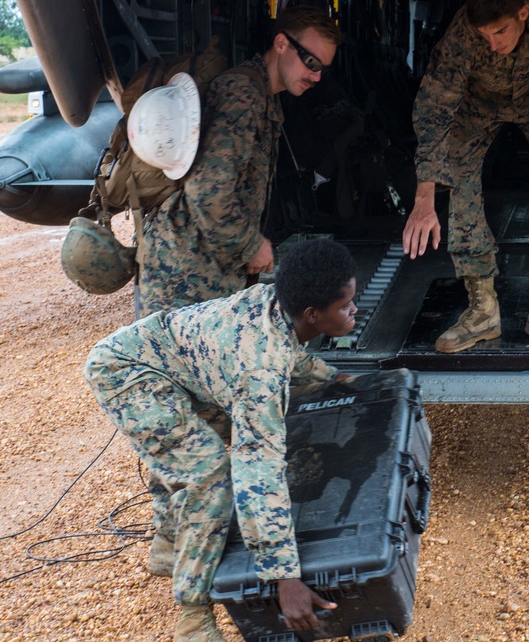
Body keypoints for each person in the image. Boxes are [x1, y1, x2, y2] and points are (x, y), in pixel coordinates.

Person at [83, 238, 359, 642]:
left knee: (198, 450)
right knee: (210, 475)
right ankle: (193, 618)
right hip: (126, 374)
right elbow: (258, 468)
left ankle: (169, 546)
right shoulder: (258, 371)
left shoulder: (278, 308)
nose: (355, 310)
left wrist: (336, 380)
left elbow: (292, 355)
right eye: (346, 306)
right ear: (314, 315)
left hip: (174, 371)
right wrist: (285, 576)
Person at [402, 0, 529, 356]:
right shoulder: (461, 36)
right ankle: (481, 310)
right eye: (485, 35)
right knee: (456, 177)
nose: (493, 43)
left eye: (501, 31)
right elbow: (434, 109)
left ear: (524, 12)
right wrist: (424, 195)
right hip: (478, 101)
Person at [137, 5, 342, 316]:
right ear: (281, 44)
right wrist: (250, 245)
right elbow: (207, 190)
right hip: (186, 273)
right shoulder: (243, 94)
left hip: (204, 266)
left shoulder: (262, 95)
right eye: (310, 62)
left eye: (322, 69)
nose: (315, 76)